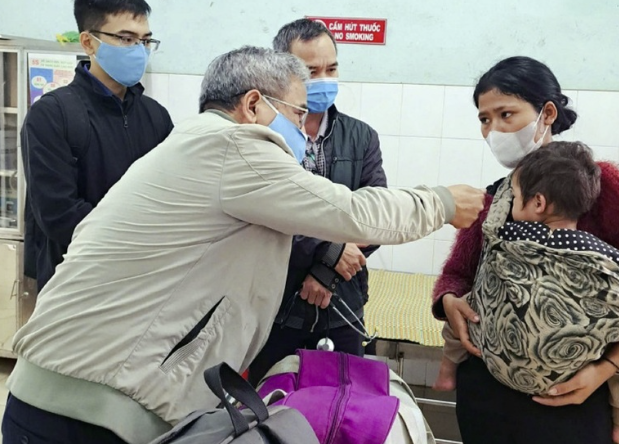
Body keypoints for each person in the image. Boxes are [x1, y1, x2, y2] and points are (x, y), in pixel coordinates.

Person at [2, 46, 484, 444]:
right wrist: (441, 202)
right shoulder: (233, 147)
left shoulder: (190, 144)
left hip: (68, 390)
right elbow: (350, 212)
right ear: (253, 105)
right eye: (298, 113)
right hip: (90, 409)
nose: (304, 129)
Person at [432, 56, 619, 444]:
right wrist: (450, 301)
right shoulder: (495, 198)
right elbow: (457, 274)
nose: (494, 130)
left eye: (506, 114)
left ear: (547, 114)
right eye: (484, 119)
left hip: (573, 397)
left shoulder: (602, 188)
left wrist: (606, 369)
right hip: (487, 393)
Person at [248, 18, 386, 386]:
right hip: (275, 307)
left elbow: (375, 215)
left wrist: (326, 271)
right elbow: (262, 216)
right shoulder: (260, 137)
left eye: (332, 68)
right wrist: (327, 251)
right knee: (271, 404)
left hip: (342, 304)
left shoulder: (361, 136)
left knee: (341, 406)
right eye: (312, 71)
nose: (324, 80)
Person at [22, 0, 173, 291]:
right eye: (126, 39)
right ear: (88, 42)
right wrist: (138, 240)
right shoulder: (53, 114)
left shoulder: (156, 116)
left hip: (141, 284)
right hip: (76, 285)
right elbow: (59, 214)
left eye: (145, 41)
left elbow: (170, 197)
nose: (138, 50)